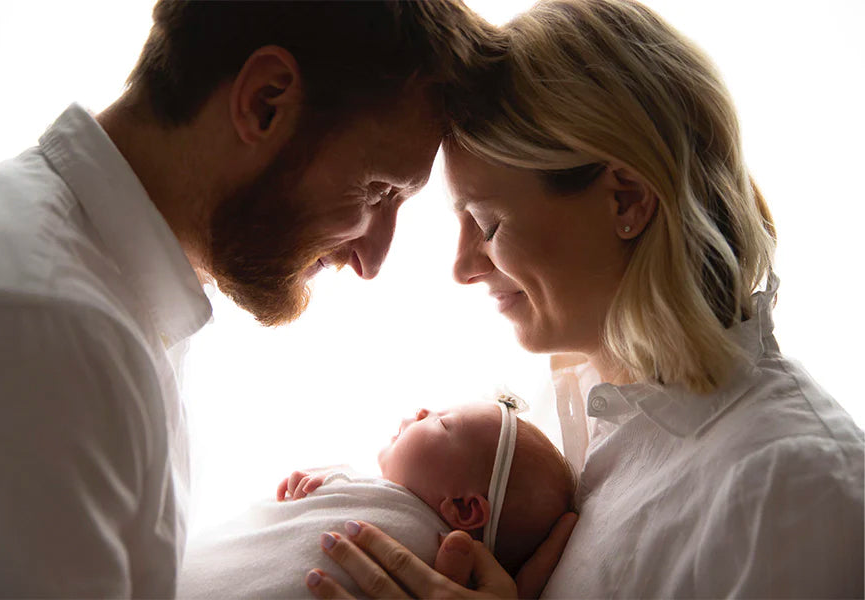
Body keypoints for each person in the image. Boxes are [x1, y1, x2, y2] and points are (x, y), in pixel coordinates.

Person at [304, 0, 865, 598]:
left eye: (487, 225)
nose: (462, 268)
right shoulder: (550, 419)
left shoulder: (798, 490)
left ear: (625, 201)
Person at [0, 2, 503, 596]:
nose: (371, 260)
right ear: (265, 101)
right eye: (377, 190)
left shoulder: (108, 299)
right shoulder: (45, 333)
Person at [176, 397, 575, 598]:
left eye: (442, 422)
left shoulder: (422, 539)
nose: (422, 411)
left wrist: (334, 482)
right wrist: (317, 491)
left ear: (464, 507)